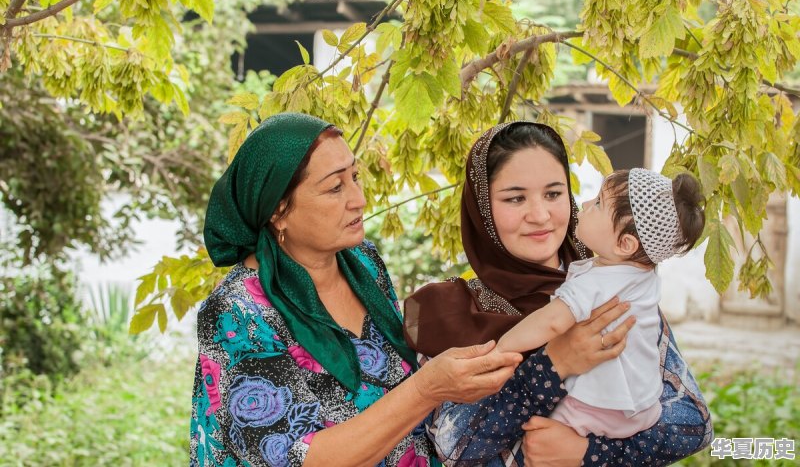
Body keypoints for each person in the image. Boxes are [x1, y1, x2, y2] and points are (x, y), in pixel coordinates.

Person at [190, 112, 524, 467]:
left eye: (355, 177)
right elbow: (298, 459)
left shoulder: (362, 262)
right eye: (336, 187)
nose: (359, 199)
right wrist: (427, 389)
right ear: (278, 211)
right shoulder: (237, 313)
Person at [404, 121, 713, 465]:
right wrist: (554, 364)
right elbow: (454, 448)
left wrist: (590, 453)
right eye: (515, 198)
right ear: (483, 209)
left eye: (553, 194)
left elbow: (693, 423)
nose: (540, 215)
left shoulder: (611, 282)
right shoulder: (447, 313)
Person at [496, 168, 705, 439]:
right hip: (646, 405)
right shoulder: (644, 276)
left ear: (625, 244)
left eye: (597, 204)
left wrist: (502, 346)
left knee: (535, 434)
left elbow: (551, 321)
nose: (583, 204)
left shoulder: (597, 282)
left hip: (597, 407)